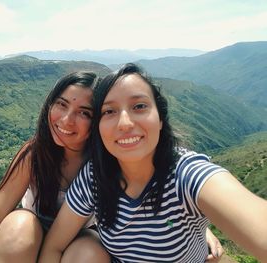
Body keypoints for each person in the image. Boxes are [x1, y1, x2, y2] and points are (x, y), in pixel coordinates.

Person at [39, 63, 267, 263]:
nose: (125, 123)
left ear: (160, 119)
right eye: (109, 111)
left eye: (139, 106)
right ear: (99, 127)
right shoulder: (95, 177)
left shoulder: (187, 175)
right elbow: (54, 245)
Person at [0, 71, 110, 263]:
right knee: (18, 229)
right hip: (30, 237)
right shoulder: (34, 154)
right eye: (62, 104)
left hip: (77, 241)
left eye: (84, 112)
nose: (66, 119)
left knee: (89, 254)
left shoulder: (102, 165)